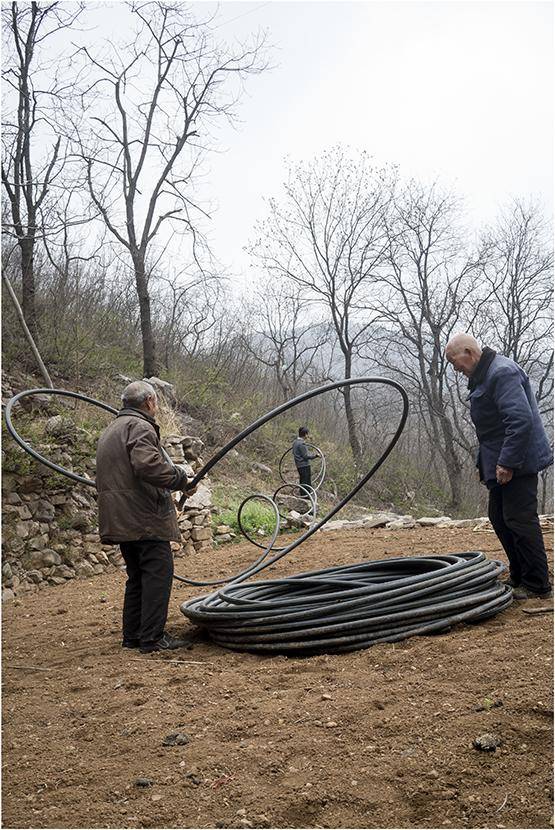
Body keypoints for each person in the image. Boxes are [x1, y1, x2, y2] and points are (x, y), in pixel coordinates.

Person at [445, 333, 552, 600]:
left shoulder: (501, 373)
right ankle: (519, 575)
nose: (454, 367)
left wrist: (506, 462)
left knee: (519, 519)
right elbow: (491, 429)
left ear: (468, 352)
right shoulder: (484, 375)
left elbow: (519, 421)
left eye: (453, 360)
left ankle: (537, 583)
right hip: (501, 460)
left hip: (518, 462)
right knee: (500, 518)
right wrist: (486, 463)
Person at [96, 380, 196, 653]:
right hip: (144, 517)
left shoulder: (112, 429)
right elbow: (148, 466)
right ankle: (152, 638)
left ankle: (133, 637)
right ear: (150, 402)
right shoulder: (139, 426)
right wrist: (181, 478)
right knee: (157, 575)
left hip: (120, 517)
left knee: (137, 577)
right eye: (156, 402)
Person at [292, 426, 318, 498]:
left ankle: (303, 496)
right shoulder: (301, 444)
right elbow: (306, 456)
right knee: (306, 482)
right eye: (307, 434)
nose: (308, 435)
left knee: (303, 481)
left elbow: (296, 453)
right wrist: (316, 455)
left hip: (299, 465)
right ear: (305, 434)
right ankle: (306, 497)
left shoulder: (295, 442)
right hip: (304, 466)